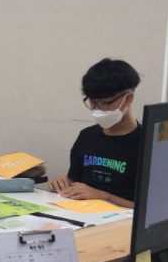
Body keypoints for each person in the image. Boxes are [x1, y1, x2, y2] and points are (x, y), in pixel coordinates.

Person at [47, 58, 142, 207]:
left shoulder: (146, 144)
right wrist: (64, 183)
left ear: (128, 99)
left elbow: (151, 209)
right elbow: (75, 183)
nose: (97, 109)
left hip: (123, 218)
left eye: (104, 103)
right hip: (83, 213)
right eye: (92, 102)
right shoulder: (87, 137)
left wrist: (104, 196)